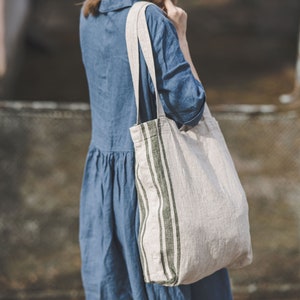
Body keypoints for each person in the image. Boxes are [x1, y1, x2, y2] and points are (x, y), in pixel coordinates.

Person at [79, 0, 233, 299]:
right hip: (152, 184)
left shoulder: (89, 12)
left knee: (117, 284)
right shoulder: (150, 19)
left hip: (104, 184)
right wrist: (180, 36)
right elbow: (189, 108)